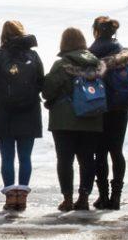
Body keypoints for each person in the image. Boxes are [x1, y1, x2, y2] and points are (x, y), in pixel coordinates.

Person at [41, 27, 105, 211]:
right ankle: (84, 197)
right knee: (87, 159)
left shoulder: (61, 65)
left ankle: (67, 198)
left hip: (64, 121)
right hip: (91, 117)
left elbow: (48, 91)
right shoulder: (96, 63)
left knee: (65, 160)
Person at [0, 20, 43, 212]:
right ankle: (22, 197)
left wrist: (1, 99)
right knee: (25, 157)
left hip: (4, 113)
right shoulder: (33, 55)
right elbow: (41, 81)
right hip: (29, 112)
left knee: (7, 157)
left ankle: (10, 196)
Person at [89, 16, 128, 209]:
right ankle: (116, 196)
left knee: (100, 153)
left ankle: (103, 196)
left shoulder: (90, 54)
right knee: (116, 151)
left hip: (98, 108)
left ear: (96, 31)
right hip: (120, 108)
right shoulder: (125, 54)